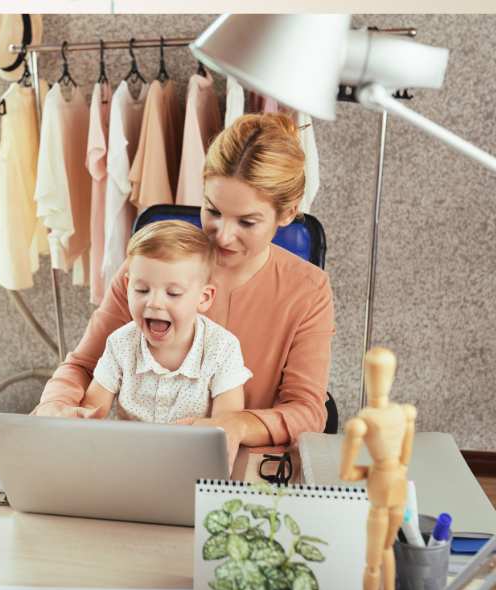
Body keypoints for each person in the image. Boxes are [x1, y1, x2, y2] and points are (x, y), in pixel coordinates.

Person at [34, 112, 335, 465]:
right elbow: (83, 365)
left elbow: (306, 409)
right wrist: (55, 405)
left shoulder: (308, 290)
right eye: (213, 211)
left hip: (243, 467)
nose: (222, 235)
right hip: (139, 463)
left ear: (286, 214)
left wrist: (235, 425)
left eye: (247, 222)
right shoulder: (147, 271)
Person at [77, 220, 251, 424]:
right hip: (130, 451)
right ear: (127, 287)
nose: (154, 303)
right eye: (141, 290)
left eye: (173, 293)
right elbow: (92, 409)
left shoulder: (222, 348)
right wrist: (81, 418)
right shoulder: (120, 343)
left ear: (203, 298)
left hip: (194, 453)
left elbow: (226, 427)